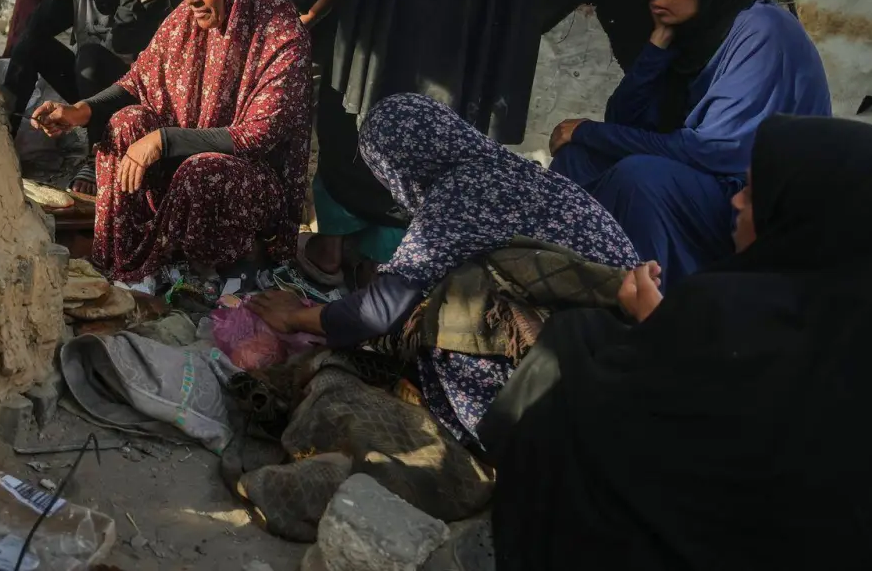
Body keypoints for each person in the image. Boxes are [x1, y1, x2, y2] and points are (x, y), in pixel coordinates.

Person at [481, 115, 872, 571]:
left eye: (753, 194)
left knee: (572, 344)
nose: (735, 202)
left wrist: (658, 324)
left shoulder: (731, 312)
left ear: (802, 218)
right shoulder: (871, 341)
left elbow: (643, 411)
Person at [250, 94, 639, 447]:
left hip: (568, 373)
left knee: (450, 313)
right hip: (631, 349)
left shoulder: (457, 194)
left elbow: (381, 310)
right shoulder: (522, 172)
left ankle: (497, 435)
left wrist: (296, 316)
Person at [549, 0, 830, 285]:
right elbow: (623, 119)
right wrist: (657, 45)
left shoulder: (765, 32)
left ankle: (653, 307)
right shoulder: (699, 30)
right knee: (577, 159)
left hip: (756, 203)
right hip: (708, 180)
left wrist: (588, 131)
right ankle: (562, 284)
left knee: (641, 178)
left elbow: (712, 151)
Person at [31, 0, 311, 287]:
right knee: (125, 124)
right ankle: (128, 261)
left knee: (202, 172)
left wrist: (165, 140)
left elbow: (257, 135)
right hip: (181, 164)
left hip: (246, 180)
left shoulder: (282, 38)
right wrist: (79, 111)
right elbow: (138, 81)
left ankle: (209, 272)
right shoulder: (184, 21)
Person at [2, 0, 172, 192]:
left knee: (91, 57)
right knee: (31, 45)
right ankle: (3, 134)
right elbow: (35, 29)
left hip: (130, 96)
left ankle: (96, 154)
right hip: (87, 90)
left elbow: (123, 42)